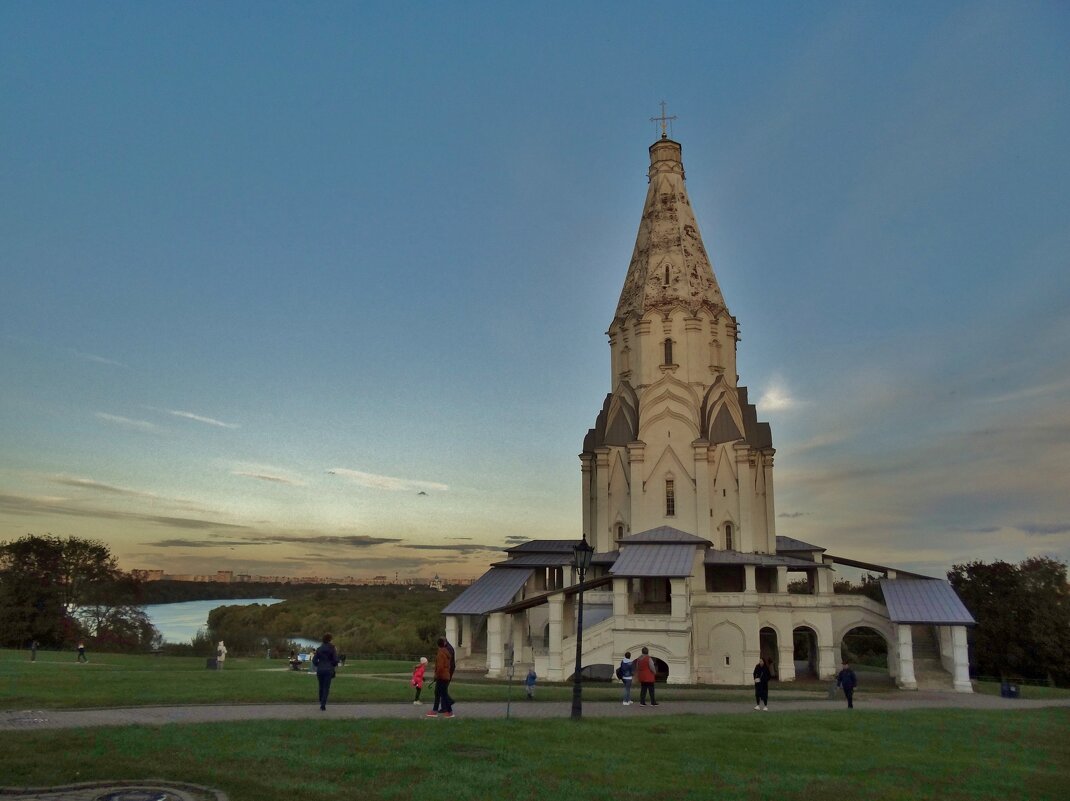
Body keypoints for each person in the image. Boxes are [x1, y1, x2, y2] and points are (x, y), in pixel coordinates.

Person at [312, 633, 340, 710]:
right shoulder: (332, 648)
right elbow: (335, 660)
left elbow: (314, 660)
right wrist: (332, 665)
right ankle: (323, 704)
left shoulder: (319, 649)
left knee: (321, 686)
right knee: (326, 687)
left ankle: (321, 700)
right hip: (328, 670)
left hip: (320, 670)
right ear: (330, 639)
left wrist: (319, 665)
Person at [428, 638, 454, 718]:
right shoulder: (446, 652)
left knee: (440, 693)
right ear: (444, 644)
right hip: (446, 675)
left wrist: (436, 675)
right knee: (441, 693)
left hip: (441, 676)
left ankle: (445, 711)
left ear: (438, 644)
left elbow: (440, 667)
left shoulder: (440, 653)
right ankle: (439, 710)